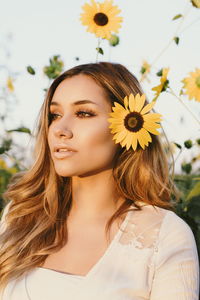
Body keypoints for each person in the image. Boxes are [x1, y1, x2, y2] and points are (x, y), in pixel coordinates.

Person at [0, 62, 199, 300]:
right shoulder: (21, 216)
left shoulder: (165, 236)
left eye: (84, 113)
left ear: (129, 124)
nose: (60, 129)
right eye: (55, 115)